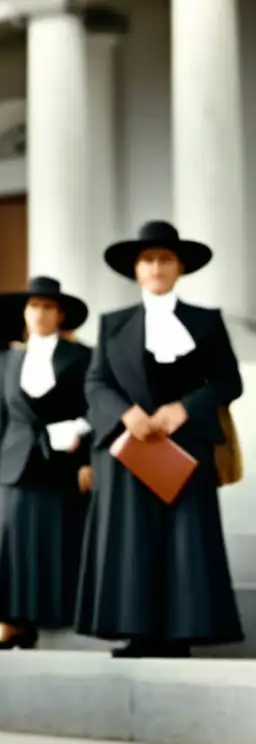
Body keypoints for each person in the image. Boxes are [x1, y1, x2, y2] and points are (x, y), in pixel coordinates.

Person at [76, 221, 244, 658]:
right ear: (136, 270)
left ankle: (181, 633)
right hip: (129, 448)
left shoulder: (206, 321)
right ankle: (138, 633)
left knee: (185, 539)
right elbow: (95, 383)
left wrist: (184, 408)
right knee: (132, 539)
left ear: (180, 267)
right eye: (148, 259)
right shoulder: (113, 324)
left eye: (165, 259)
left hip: (186, 445)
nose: (156, 266)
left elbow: (228, 381)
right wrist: (125, 413)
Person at [0, 277, 93, 650]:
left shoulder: (80, 357)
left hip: (60, 461)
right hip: (15, 459)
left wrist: (86, 460)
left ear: (60, 314)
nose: (40, 313)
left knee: (53, 538)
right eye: (34, 306)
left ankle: (52, 615)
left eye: (47, 307)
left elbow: (92, 410)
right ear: (24, 313)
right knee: (10, 543)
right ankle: (10, 622)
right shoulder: (6, 359)